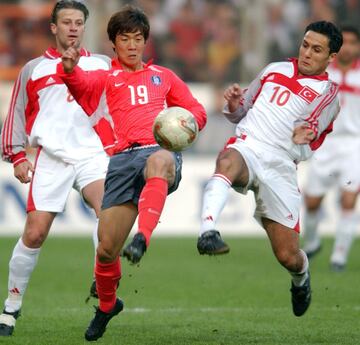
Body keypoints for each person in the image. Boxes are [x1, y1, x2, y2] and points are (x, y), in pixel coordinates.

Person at [58, 5, 206, 341]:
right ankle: (108, 305)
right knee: (107, 249)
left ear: (145, 42)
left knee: (160, 162)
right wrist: (68, 70)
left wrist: (189, 122)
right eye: (125, 39)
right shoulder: (105, 78)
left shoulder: (164, 76)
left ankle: (143, 238)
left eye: (138, 38)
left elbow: (195, 108)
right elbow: (80, 85)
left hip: (158, 150)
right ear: (114, 43)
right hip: (122, 162)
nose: (132, 45)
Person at [196, 21, 342, 317]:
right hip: (248, 145)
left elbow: (315, 123)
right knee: (226, 161)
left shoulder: (328, 92)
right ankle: (208, 231)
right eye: (305, 45)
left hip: (280, 166)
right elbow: (241, 111)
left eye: (317, 49)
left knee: (288, 256)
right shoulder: (274, 69)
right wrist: (235, 104)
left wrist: (307, 132)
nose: (307, 53)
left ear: (331, 57)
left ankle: (301, 279)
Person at [0, 0, 114, 336]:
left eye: (79, 22)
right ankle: (11, 307)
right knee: (35, 233)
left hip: (94, 153)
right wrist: (18, 156)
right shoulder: (34, 69)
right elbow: (16, 115)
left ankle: (101, 279)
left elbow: (120, 103)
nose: (74, 27)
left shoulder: (102, 64)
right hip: (52, 157)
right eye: (66, 22)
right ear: (54, 27)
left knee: (108, 214)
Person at [302, 25, 360, 271]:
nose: (347, 47)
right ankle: (313, 241)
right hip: (326, 142)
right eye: (343, 42)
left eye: (352, 42)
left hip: (355, 143)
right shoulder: (322, 73)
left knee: (349, 199)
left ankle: (339, 255)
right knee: (312, 202)